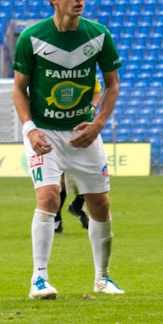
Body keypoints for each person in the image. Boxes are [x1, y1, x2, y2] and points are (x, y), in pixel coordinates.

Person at [13, 0, 124, 300]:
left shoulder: (99, 35)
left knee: (100, 206)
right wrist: (30, 129)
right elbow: (19, 90)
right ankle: (39, 280)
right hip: (44, 133)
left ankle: (103, 278)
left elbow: (112, 86)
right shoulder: (31, 38)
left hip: (83, 133)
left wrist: (98, 124)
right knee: (49, 198)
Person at [55, 78, 101, 233]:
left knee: (94, 174)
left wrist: (93, 106)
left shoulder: (84, 71)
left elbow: (97, 91)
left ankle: (76, 205)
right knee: (61, 178)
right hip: (57, 130)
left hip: (82, 131)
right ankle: (56, 217)